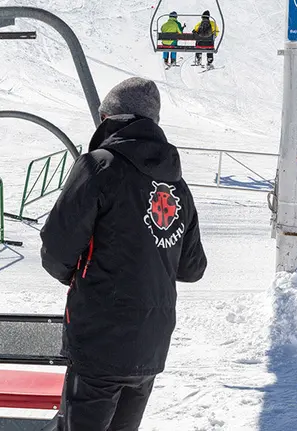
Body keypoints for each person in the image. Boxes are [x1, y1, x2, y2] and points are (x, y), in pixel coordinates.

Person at [39, 77, 207, 431]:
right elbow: (192, 267)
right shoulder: (176, 185)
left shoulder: (100, 166)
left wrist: (83, 273)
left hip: (101, 338)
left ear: (107, 118)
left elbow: (56, 249)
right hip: (151, 342)